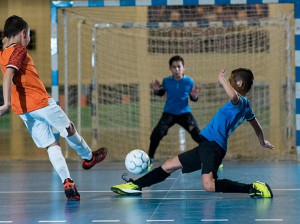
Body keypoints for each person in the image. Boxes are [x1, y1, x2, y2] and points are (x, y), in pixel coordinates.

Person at [111, 67, 275, 198]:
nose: (229, 81)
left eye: (232, 79)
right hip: (207, 145)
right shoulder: (247, 108)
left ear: (239, 83)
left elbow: (234, 97)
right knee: (169, 165)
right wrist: (262, 140)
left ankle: (253, 188)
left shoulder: (239, 102)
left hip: (213, 147)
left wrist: (221, 79)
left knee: (209, 185)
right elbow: (256, 125)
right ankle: (136, 186)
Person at [0, 15, 107, 201]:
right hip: (41, 103)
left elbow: (5, 43)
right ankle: (89, 157)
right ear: (23, 33)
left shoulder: (3, 52)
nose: (29, 40)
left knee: (52, 144)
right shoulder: (19, 51)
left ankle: (68, 182)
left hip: (25, 111)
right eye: (29, 35)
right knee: (69, 129)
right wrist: (6, 103)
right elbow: (8, 75)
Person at [148, 55, 201, 168]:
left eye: (179, 67)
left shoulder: (189, 81)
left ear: (183, 67)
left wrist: (195, 96)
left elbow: (193, 98)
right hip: (169, 114)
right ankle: (149, 160)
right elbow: (161, 93)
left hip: (184, 114)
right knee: (156, 135)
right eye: (174, 67)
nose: (177, 69)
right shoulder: (166, 81)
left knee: (197, 134)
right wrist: (157, 90)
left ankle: (213, 158)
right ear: (170, 69)